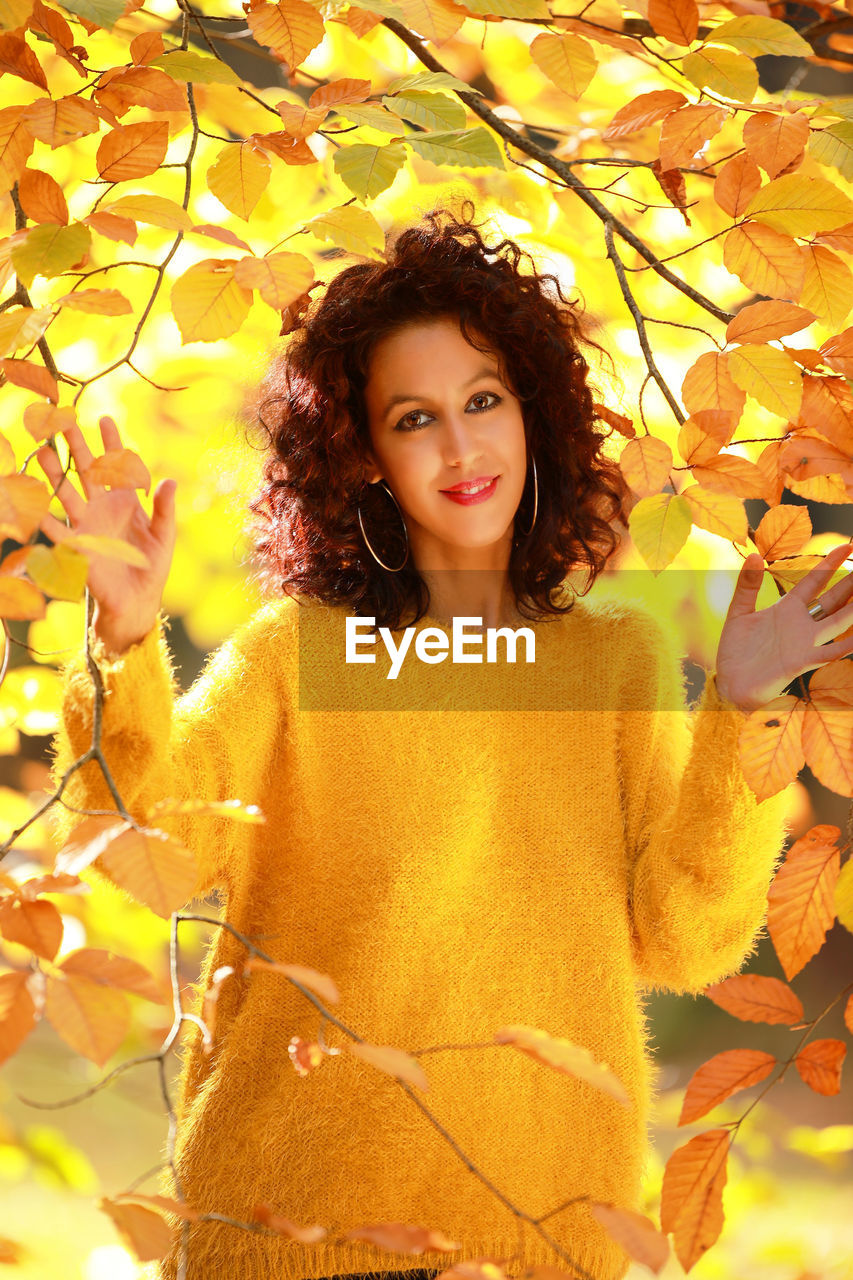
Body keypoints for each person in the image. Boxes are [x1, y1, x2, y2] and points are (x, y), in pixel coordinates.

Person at [43, 204, 853, 1280]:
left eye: (483, 401)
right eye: (414, 418)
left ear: (534, 418)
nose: (462, 445)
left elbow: (683, 938)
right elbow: (143, 838)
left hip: (542, 1223)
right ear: (365, 454)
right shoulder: (298, 652)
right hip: (294, 1220)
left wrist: (743, 709)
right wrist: (125, 635)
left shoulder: (615, 656)